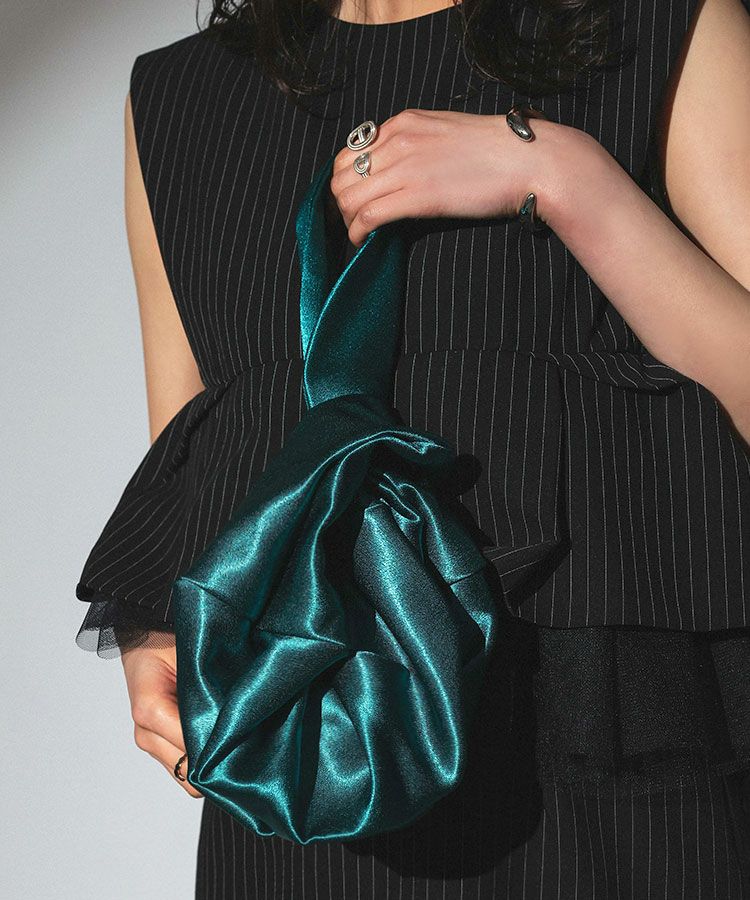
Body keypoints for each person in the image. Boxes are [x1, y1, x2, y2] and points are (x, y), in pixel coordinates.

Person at [75, 0, 750, 895]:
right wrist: (161, 633)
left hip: (607, 744)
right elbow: (191, 435)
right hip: (318, 758)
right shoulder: (179, 94)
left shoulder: (665, 23)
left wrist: (562, 173)